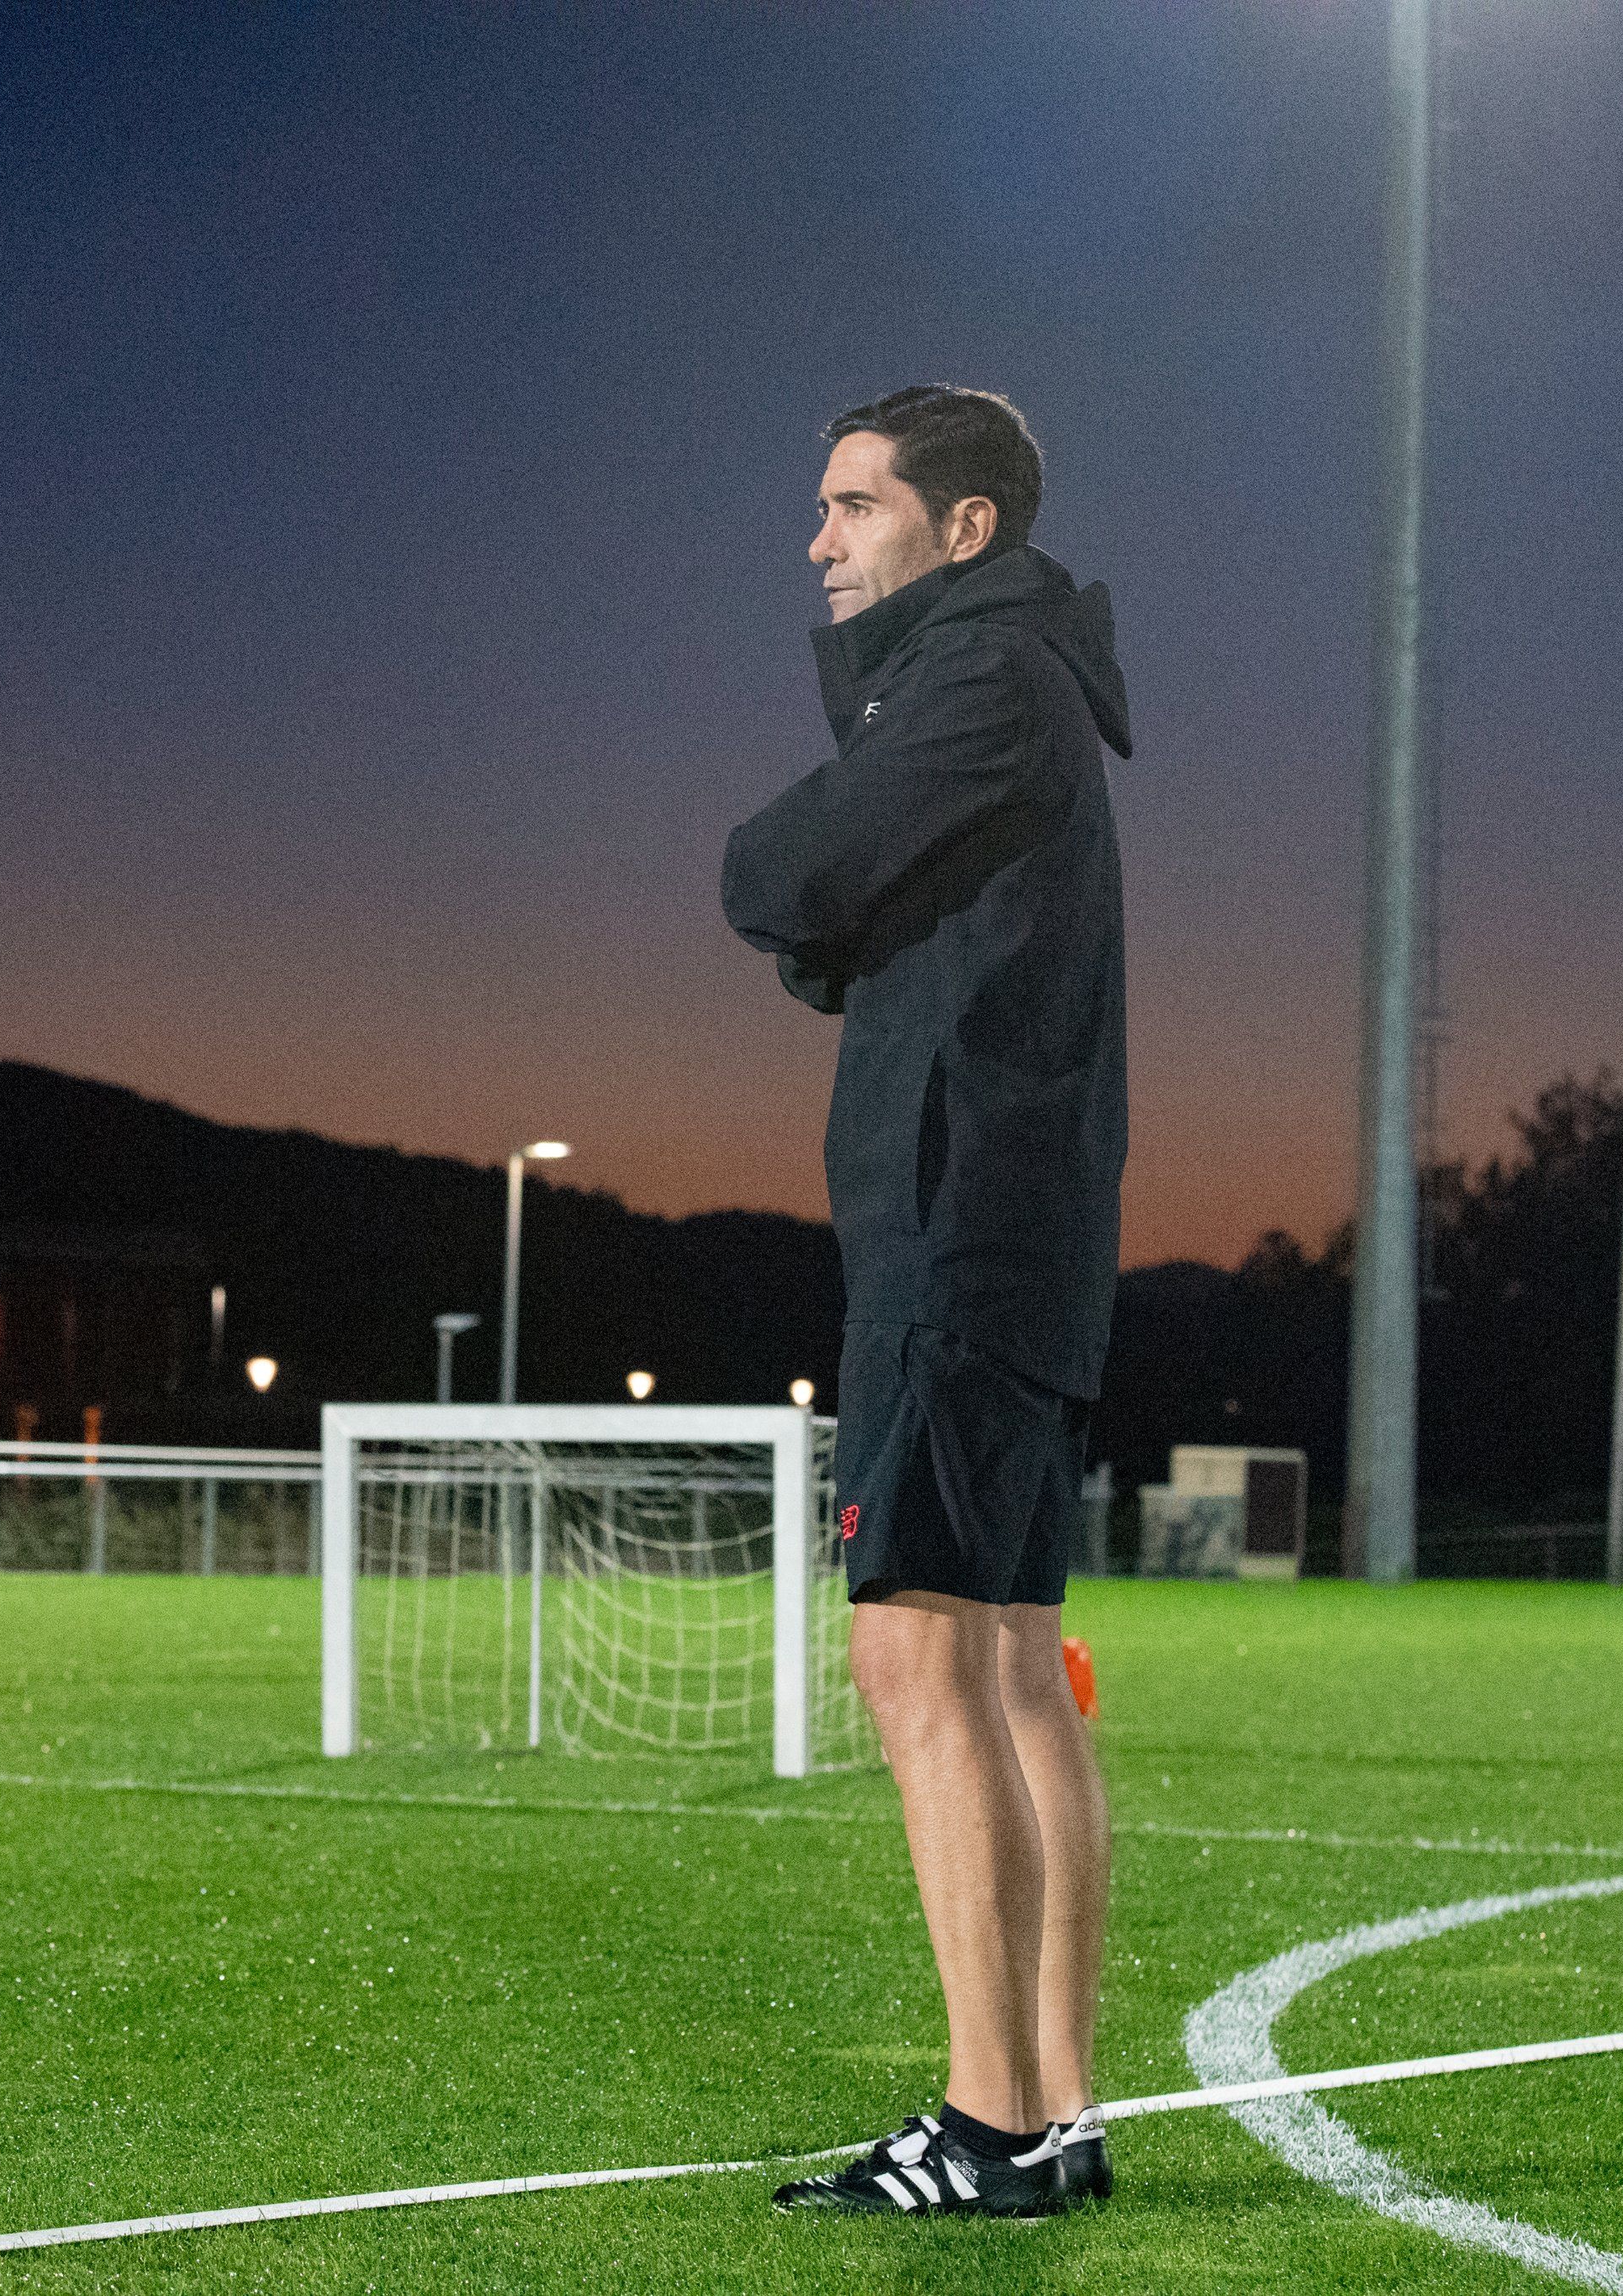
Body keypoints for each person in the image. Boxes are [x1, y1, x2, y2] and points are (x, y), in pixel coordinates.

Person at [720, 386, 1130, 2217]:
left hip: (958, 1231)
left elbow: (782, 870)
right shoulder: (1007, 689)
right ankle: (1044, 2113)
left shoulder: (977, 683)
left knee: (914, 1658)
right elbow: (837, 907)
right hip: (1009, 1226)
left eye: (850, 503)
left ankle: (987, 2123)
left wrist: (814, 890)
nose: (818, 539)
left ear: (961, 530)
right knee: (1005, 1668)